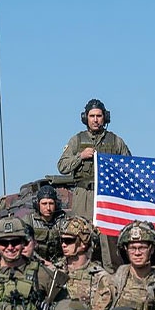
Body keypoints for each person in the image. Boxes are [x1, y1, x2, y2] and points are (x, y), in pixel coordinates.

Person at [56, 98, 130, 265]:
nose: (95, 120)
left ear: (105, 118)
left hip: (107, 194)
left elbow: (128, 166)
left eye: (99, 116)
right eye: (92, 116)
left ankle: (111, 273)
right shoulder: (77, 140)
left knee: (108, 237)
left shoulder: (115, 141)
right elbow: (62, 165)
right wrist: (80, 156)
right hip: (84, 194)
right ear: (85, 118)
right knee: (82, 234)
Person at [52, 217, 114, 310]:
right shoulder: (54, 272)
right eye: (62, 240)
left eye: (69, 241)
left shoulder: (100, 279)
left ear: (83, 244)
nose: (63, 244)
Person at [111, 222, 155, 310]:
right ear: (126, 249)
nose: (137, 253)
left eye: (142, 248)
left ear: (151, 249)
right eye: (132, 248)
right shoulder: (116, 281)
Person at [28, 185, 65, 263]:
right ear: (37, 204)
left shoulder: (63, 220)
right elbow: (25, 248)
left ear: (56, 204)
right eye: (44, 204)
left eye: (51, 203)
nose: (48, 208)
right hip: (36, 262)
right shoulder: (29, 221)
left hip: (61, 263)